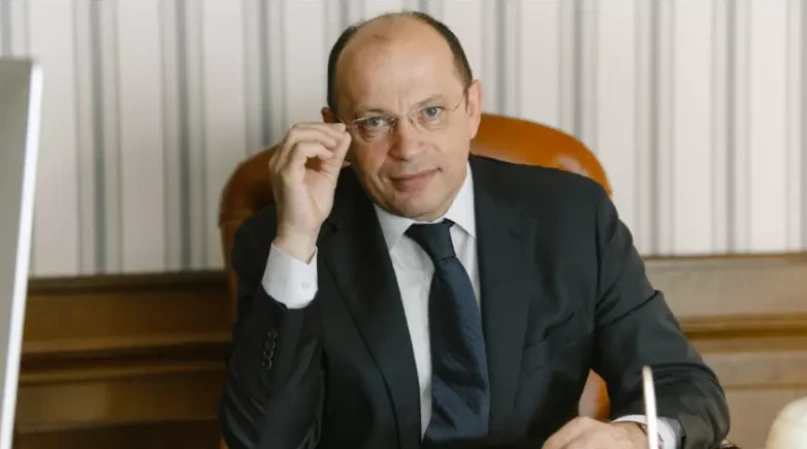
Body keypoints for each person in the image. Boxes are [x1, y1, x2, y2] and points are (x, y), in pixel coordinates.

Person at [218, 11, 730, 449]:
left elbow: (682, 384)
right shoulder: (280, 241)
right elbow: (263, 441)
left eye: (431, 112)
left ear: (472, 108)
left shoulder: (571, 218)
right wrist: (296, 240)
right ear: (337, 129)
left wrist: (634, 437)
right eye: (375, 121)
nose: (408, 148)